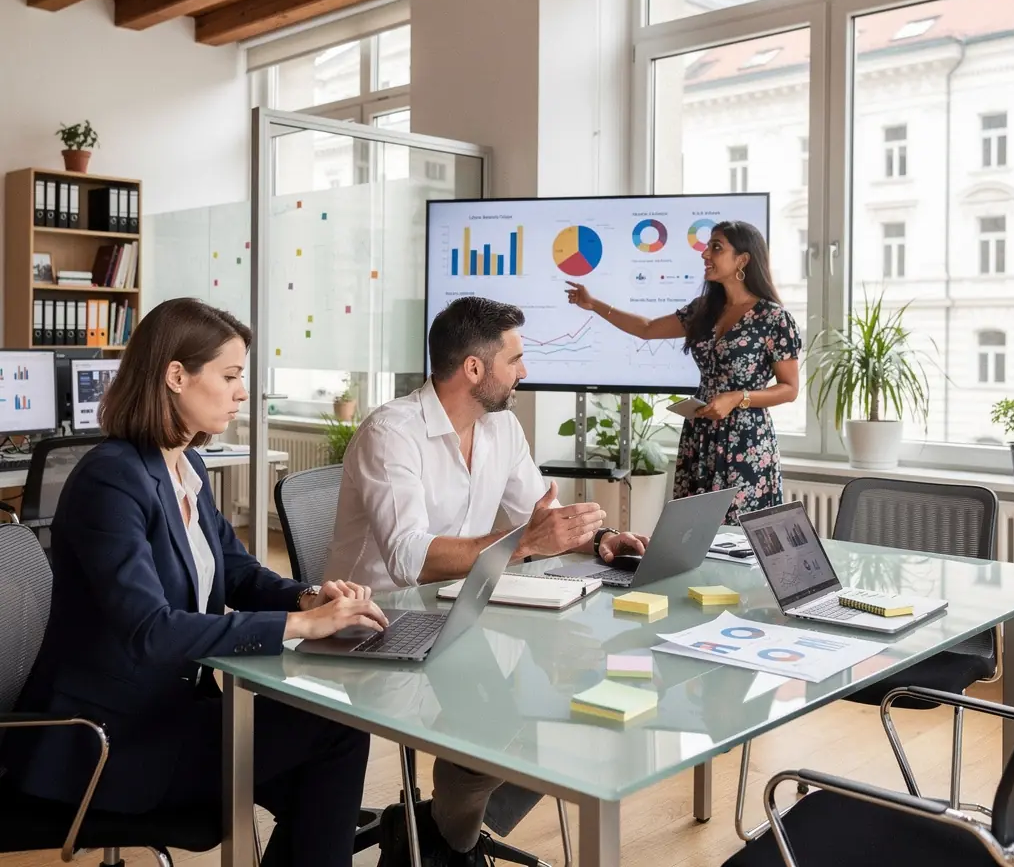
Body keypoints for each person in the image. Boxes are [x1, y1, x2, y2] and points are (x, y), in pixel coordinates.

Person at [5, 297, 389, 867]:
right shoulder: (111, 480)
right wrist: (301, 624)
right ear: (176, 376)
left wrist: (310, 595)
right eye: (231, 376)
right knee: (331, 739)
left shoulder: (184, 465)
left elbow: (235, 571)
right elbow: (150, 632)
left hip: (169, 712)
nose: (242, 392)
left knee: (331, 735)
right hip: (111, 741)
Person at [324, 295, 650, 867]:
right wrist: (523, 542)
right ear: (474, 368)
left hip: (461, 612)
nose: (524, 371)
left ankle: (446, 835)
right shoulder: (392, 433)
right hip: (374, 629)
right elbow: (408, 559)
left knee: (577, 703)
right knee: (506, 720)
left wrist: (601, 540)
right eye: (515, 359)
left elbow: (540, 514)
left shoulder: (501, 430)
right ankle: (451, 838)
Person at [567, 220, 800, 524]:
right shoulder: (703, 309)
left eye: (716, 247)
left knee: (740, 538)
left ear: (742, 259)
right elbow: (647, 329)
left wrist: (737, 398)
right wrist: (593, 304)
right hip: (700, 436)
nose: (705, 254)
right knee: (694, 533)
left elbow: (789, 388)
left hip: (746, 441)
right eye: (707, 246)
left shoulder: (774, 319)